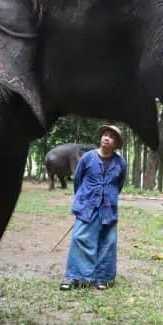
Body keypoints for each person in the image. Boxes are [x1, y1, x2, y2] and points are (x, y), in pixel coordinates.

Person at [60, 124, 127, 291]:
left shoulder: (120, 163)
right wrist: (85, 199)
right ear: (100, 138)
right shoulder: (88, 158)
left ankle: (102, 278)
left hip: (108, 208)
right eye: (105, 135)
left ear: (116, 143)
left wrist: (107, 196)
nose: (106, 138)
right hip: (87, 205)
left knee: (107, 242)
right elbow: (78, 181)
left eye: (111, 137)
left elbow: (118, 185)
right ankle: (75, 277)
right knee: (79, 238)